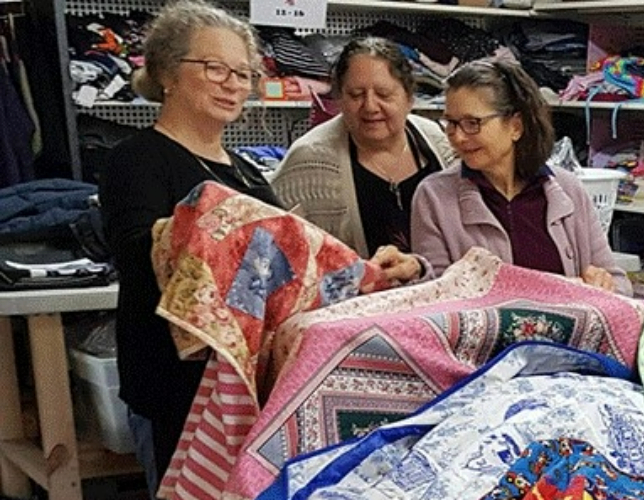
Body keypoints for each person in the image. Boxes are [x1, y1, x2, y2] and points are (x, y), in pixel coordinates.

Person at [94, 1, 278, 490]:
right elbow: (138, 256)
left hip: (245, 387)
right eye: (215, 67)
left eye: (244, 72)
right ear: (167, 73)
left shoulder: (246, 171)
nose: (233, 83)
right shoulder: (135, 160)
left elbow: (285, 261)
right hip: (176, 389)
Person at [408, 59, 627, 294]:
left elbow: (619, 283)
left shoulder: (568, 190)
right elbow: (434, 296)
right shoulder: (434, 196)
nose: (458, 137)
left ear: (515, 126)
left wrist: (604, 283)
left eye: (472, 123)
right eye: (451, 123)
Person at [274, 37, 457, 289]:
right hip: (351, 316)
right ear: (339, 99)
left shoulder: (441, 144)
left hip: (439, 306)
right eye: (356, 94)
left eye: (384, 94)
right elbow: (270, 251)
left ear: (409, 98)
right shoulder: (310, 159)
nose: (370, 106)